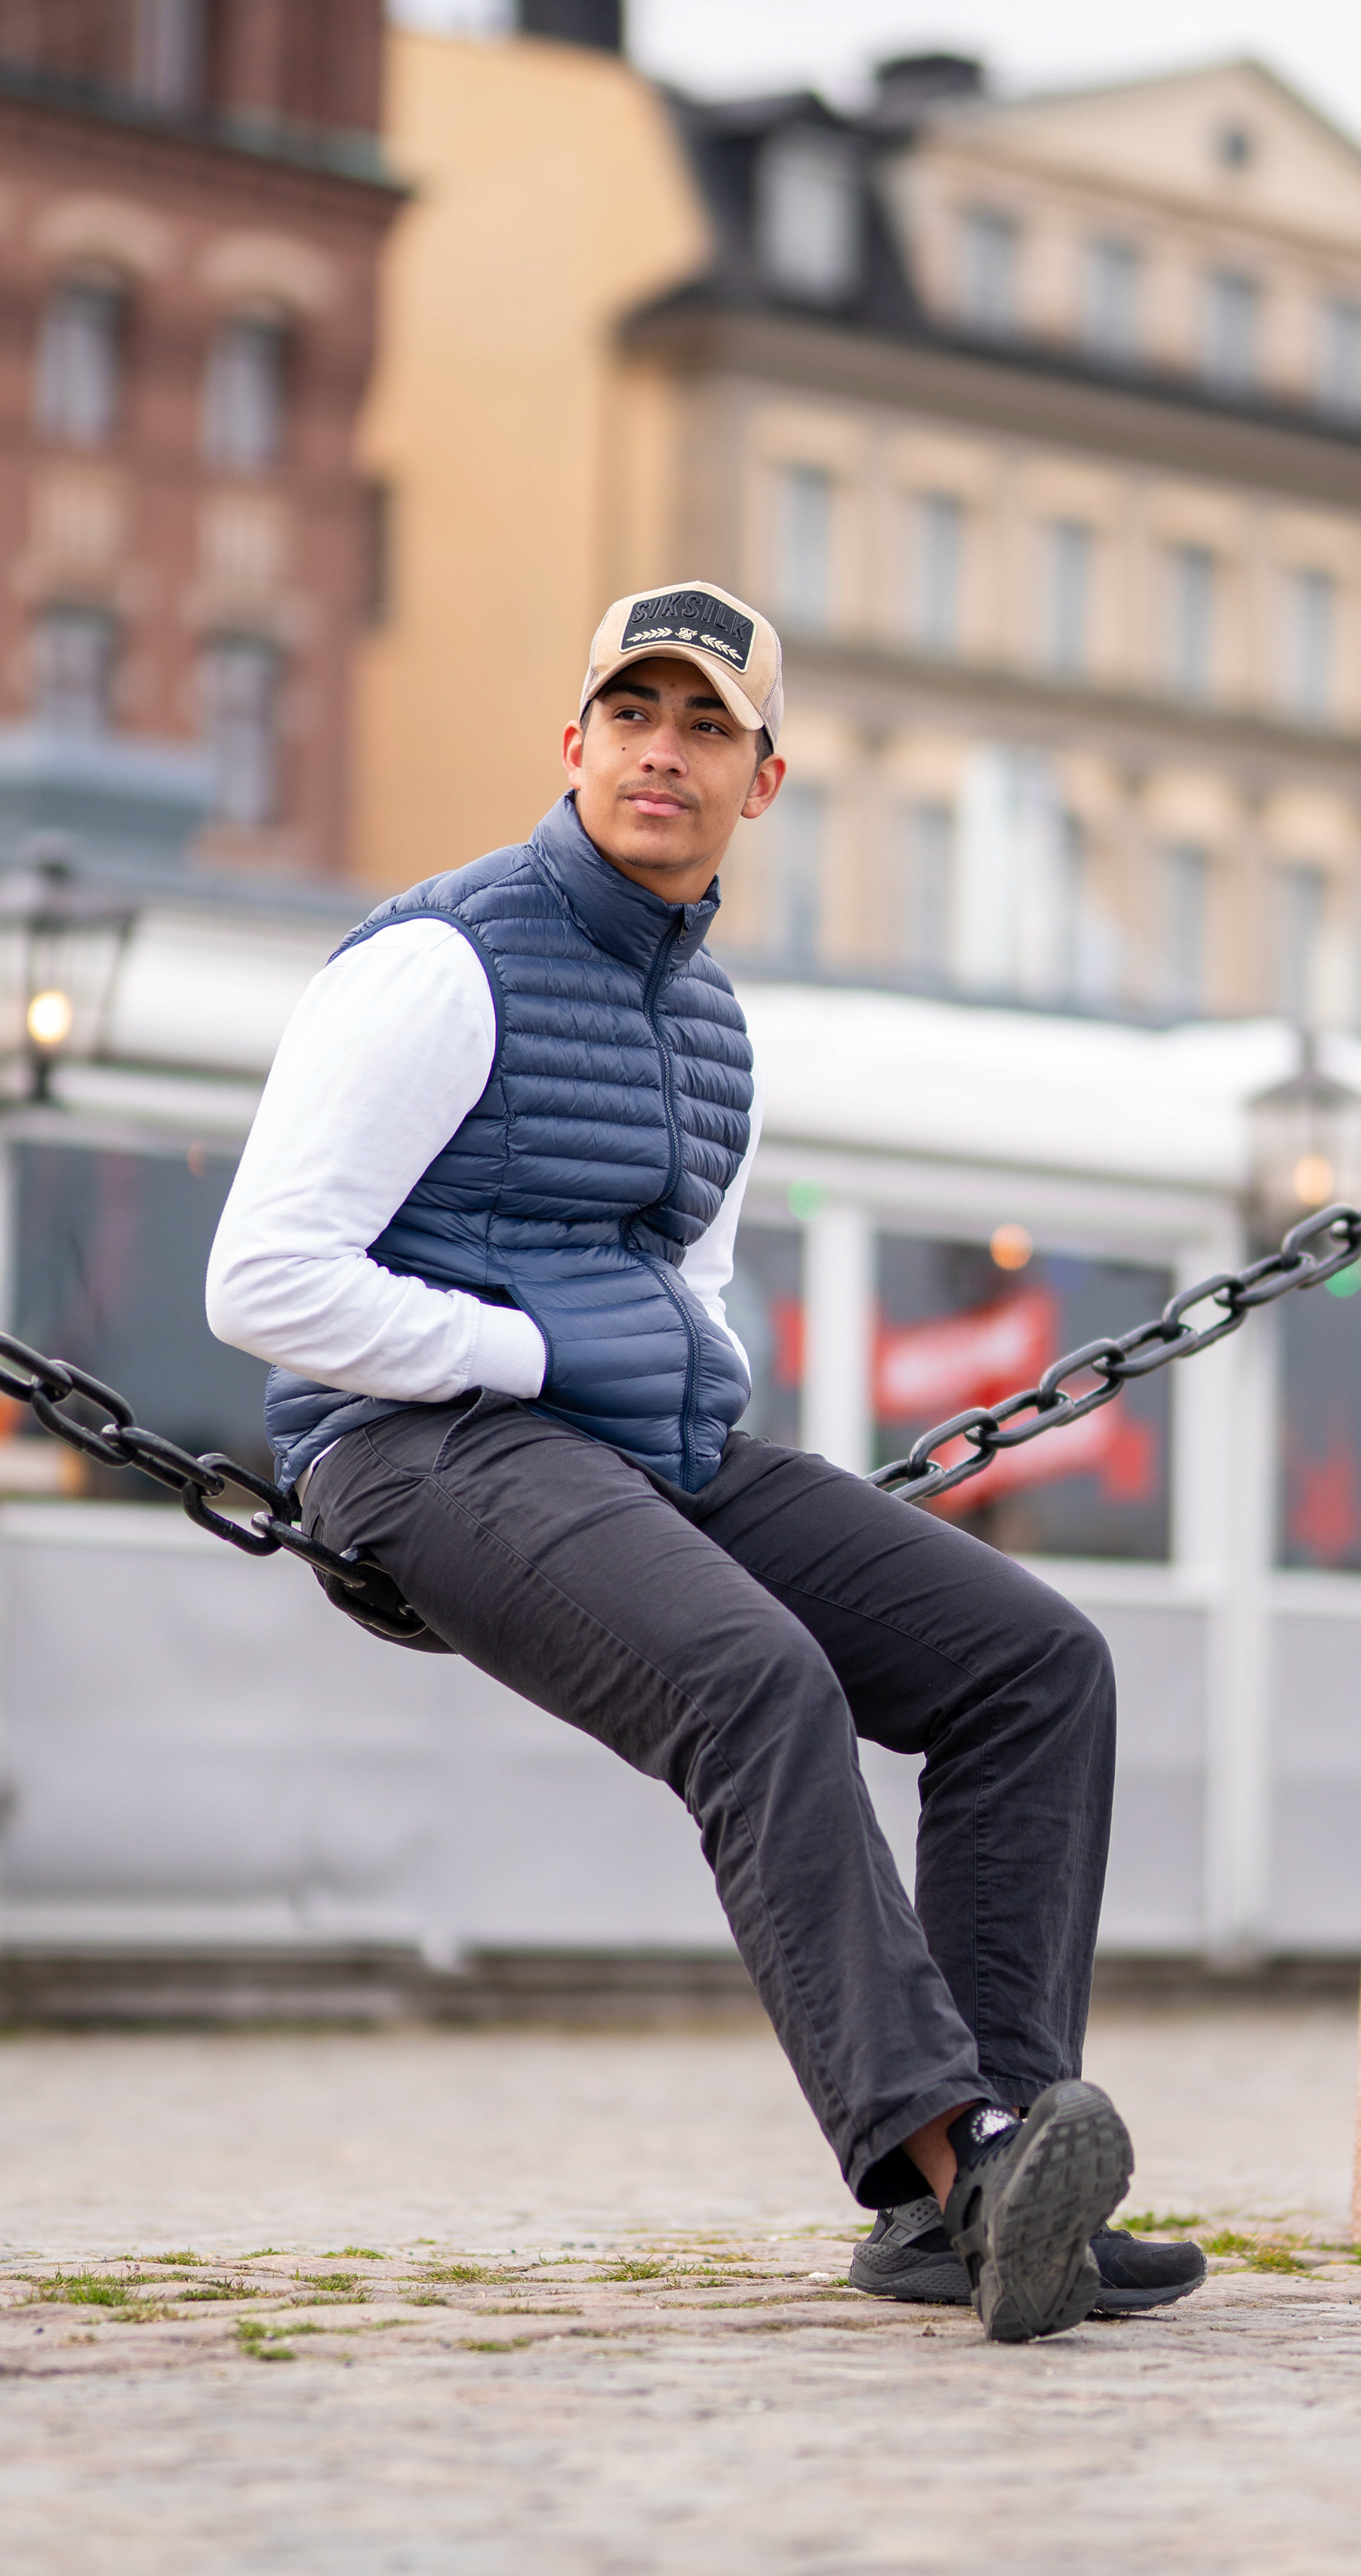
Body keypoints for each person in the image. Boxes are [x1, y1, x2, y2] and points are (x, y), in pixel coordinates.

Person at [207, 578, 1205, 2343]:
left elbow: (690, 1284)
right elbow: (264, 1280)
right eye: (632, 714)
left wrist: (666, 1384)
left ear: (765, 779)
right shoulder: (440, 964)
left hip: (641, 1449)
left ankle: (988, 2196)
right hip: (419, 1443)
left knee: (1035, 1662)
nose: (661, 753)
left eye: (706, 727)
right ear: (573, 740)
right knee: (758, 1675)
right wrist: (527, 1352)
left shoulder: (715, 1023)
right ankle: (956, 2159)